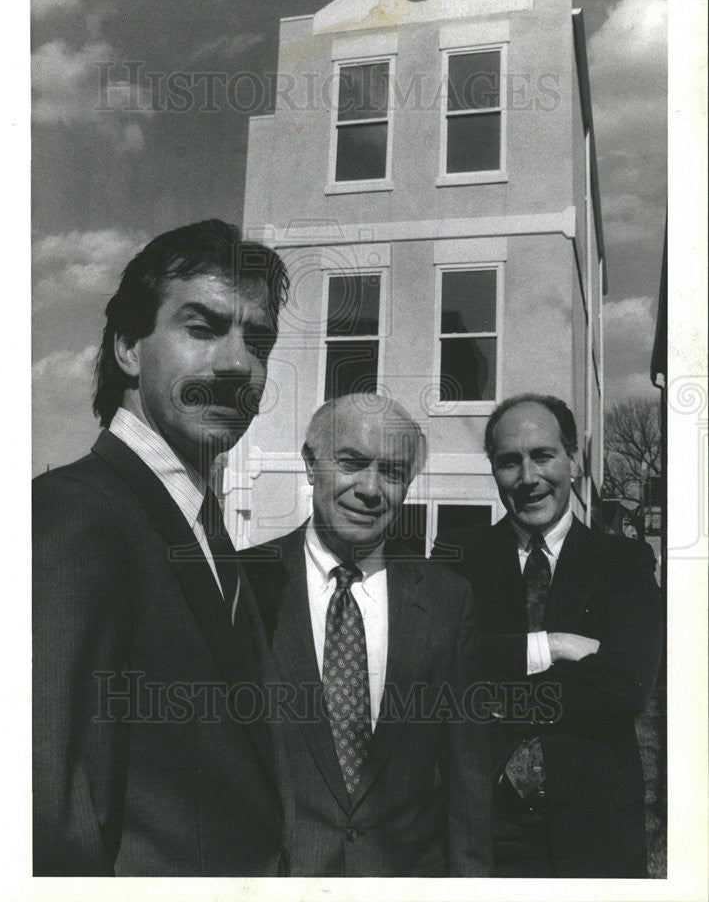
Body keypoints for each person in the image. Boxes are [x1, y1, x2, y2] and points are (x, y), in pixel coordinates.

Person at [33, 219, 290, 876]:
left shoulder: (205, 529)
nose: (238, 363)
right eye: (202, 328)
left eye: (257, 340)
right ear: (126, 347)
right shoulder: (74, 515)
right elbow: (47, 806)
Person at [242, 393, 492, 877]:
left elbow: (468, 780)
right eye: (352, 463)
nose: (371, 489)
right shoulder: (245, 584)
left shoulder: (446, 599)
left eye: (394, 472)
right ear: (311, 465)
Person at [431, 394, 663, 877]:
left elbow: (627, 685)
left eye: (543, 456)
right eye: (509, 462)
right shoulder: (458, 556)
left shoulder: (623, 561)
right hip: (485, 826)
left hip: (595, 824)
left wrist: (492, 687)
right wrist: (550, 645)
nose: (529, 478)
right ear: (493, 471)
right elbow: (436, 667)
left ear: (573, 460)